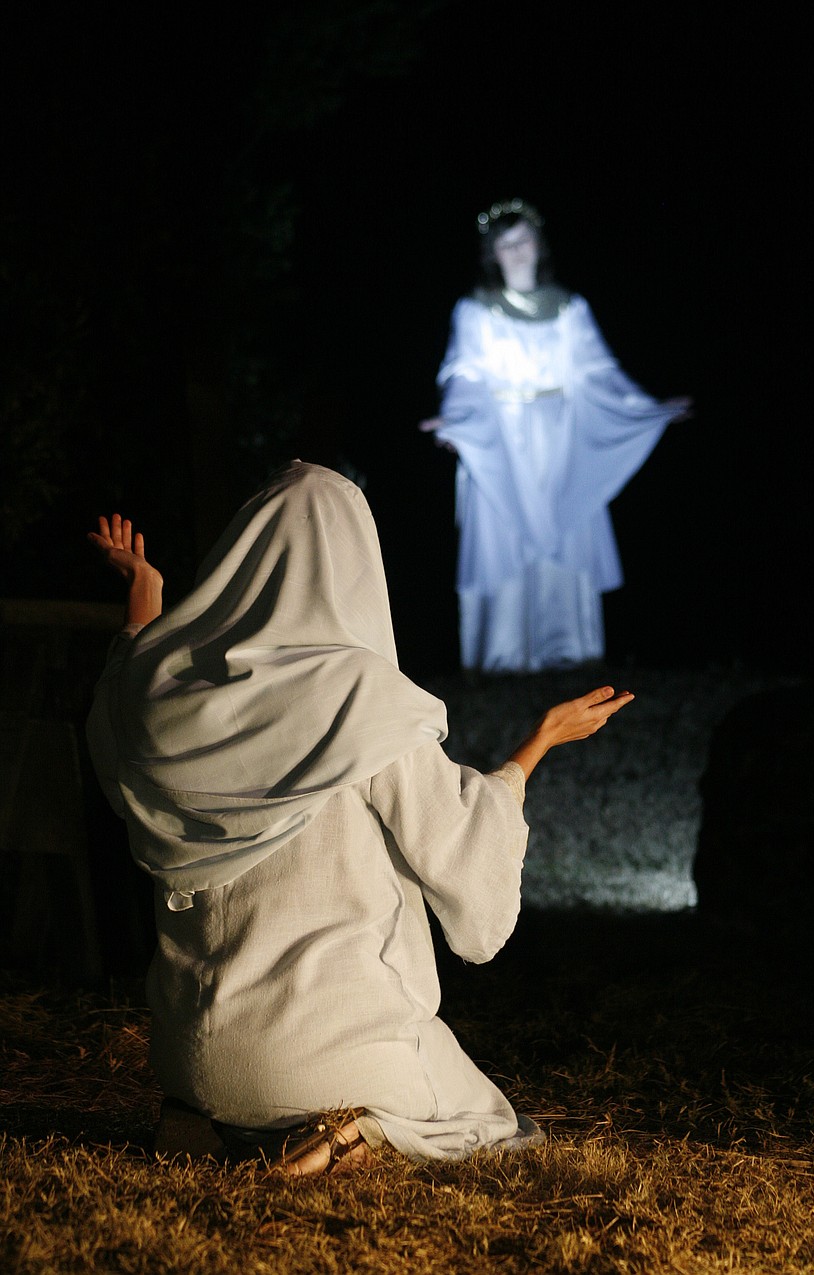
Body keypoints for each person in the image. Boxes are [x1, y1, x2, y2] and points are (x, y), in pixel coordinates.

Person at [85, 460, 634, 1176]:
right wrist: (536, 747)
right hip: (331, 1057)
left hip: (188, 1055)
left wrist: (144, 591)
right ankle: (356, 1130)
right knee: (481, 1112)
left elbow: (128, 680)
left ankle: (207, 1122)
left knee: (225, 1074)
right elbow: (465, 854)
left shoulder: (161, 698)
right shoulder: (361, 700)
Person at [420, 198, 692, 674]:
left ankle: (567, 652)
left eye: (523, 240)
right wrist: (456, 419)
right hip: (502, 440)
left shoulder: (570, 307)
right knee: (504, 537)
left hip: (559, 439)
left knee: (565, 530)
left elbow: (598, 372)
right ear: (494, 254)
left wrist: (648, 409)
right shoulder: (475, 310)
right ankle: (502, 658)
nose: (517, 251)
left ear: (538, 245)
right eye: (506, 244)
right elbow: (466, 372)